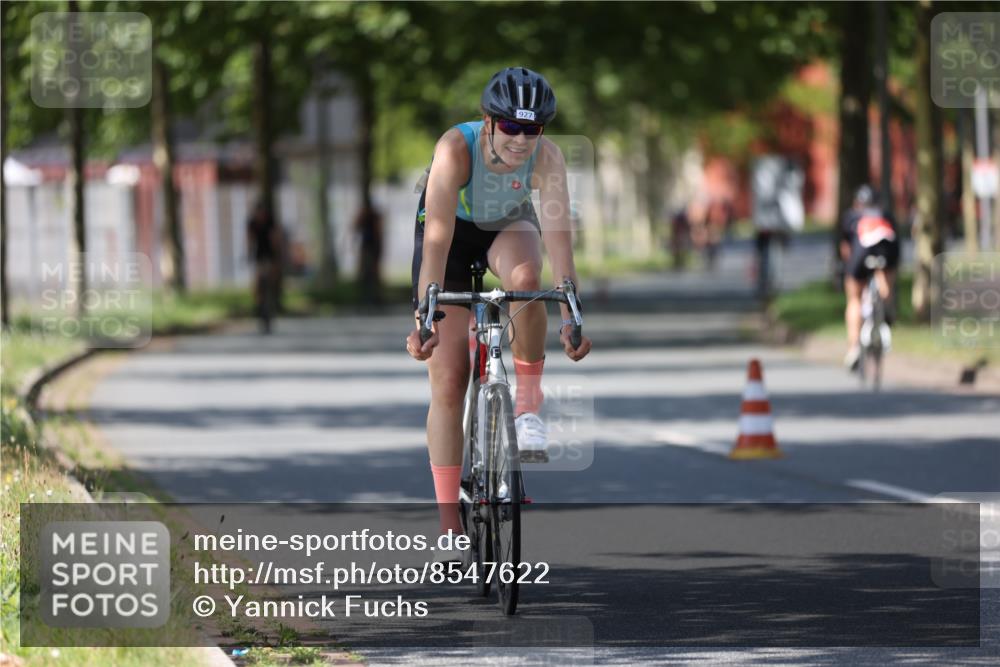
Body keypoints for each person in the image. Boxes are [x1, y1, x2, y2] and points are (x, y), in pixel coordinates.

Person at [405, 67, 593, 547]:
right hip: (450, 238)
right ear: (488, 121)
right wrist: (426, 316)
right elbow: (437, 241)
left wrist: (571, 311)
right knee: (449, 381)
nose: (520, 139)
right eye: (511, 126)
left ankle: (527, 406)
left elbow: (558, 241)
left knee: (528, 281)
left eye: (531, 129)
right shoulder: (455, 148)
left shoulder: (547, 158)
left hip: (508, 226)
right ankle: (450, 525)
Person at [840, 185, 900, 370]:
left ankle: (854, 347)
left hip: (860, 251)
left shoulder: (852, 216)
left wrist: (850, 272)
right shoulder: (886, 215)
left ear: (857, 203)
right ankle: (886, 308)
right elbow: (896, 243)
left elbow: (846, 248)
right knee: (885, 274)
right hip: (887, 249)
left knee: (854, 298)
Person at [246, 200, 283, 333]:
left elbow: (276, 240)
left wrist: (277, 258)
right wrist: (248, 254)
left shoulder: (271, 222)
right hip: (259, 256)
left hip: (271, 255)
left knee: (271, 281)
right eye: (258, 213)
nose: (260, 215)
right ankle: (258, 305)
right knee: (258, 283)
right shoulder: (252, 223)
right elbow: (249, 240)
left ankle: (272, 303)